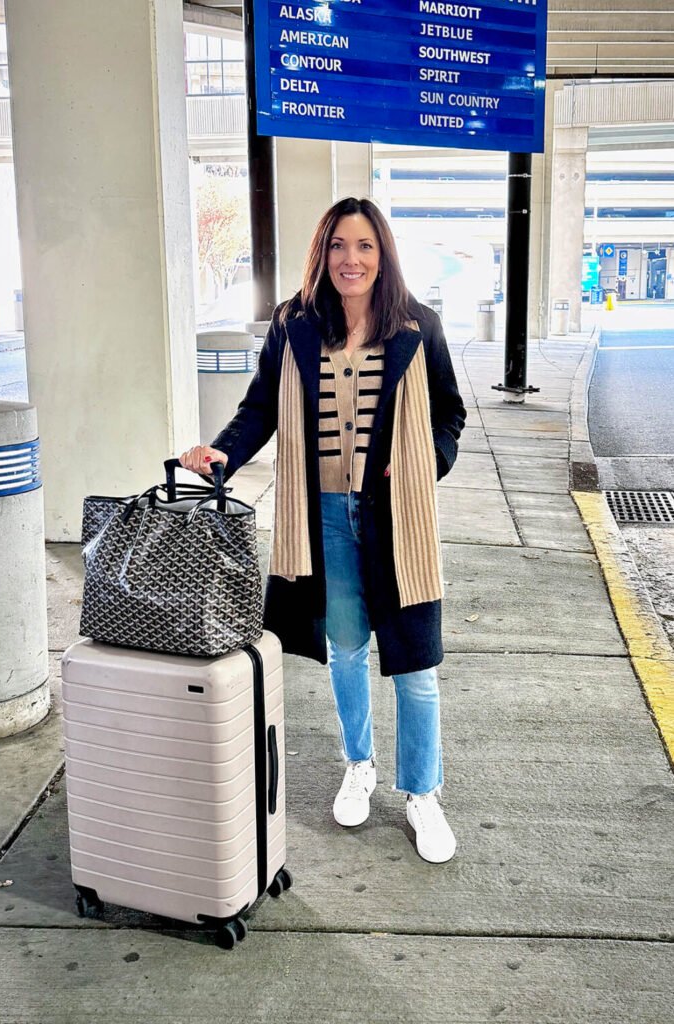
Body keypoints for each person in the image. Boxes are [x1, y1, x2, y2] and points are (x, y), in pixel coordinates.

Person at [180, 197, 466, 863]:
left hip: (397, 517)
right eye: (338, 245)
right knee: (346, 648)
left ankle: (422, 792)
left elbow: (448, 414)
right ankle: (358, 764)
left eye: (364, 246)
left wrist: (426, 461)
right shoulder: (295, 324)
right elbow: (260, 407)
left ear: (382, 254)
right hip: (324, 516)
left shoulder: (417, 326)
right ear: (322, 253)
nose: (350, 259)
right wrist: (223, 452)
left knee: (416, 664)